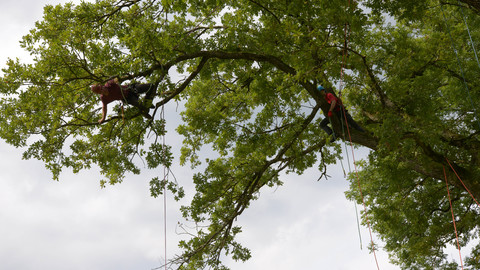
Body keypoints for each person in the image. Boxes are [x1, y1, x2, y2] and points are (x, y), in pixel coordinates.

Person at [91, 78, 156, 124]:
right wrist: (103, 118)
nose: (103, 89)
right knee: (141, 106)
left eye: (102, 87)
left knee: (151, 86)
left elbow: (116, 79)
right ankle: (145, 110)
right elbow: (104, 107)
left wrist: (117, 79)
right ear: (99, 93)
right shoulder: (104, 98)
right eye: (101, 90)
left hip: (131, 89)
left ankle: (147, 102)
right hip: (128, 98)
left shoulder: (109, 84)